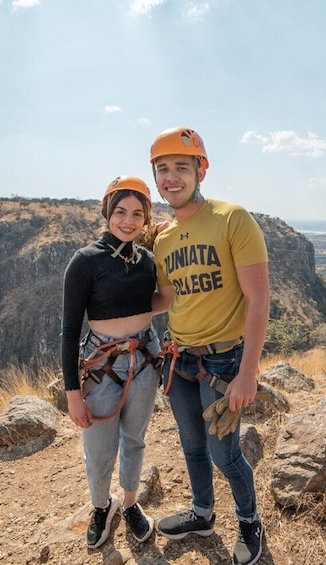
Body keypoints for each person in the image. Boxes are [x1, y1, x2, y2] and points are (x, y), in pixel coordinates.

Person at [150, 127, 270, 565]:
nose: (171, 177)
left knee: (225, 452)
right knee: (192, 444)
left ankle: (249, 521)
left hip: (225, 360)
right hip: (180, 359)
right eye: (162, 169)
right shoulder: (162, 238)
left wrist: (248, 373)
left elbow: (258, 299)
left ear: (201, 170)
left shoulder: (232, 218)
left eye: (181, 167)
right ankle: (202, 514)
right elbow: (166, 297)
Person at [61, 175, 161, 549]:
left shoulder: (146, 260)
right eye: (120, 211)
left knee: (134, 439)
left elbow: (150, 303)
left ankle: (131, 504)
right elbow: (70, 331)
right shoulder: (85, 261)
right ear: (107, 212)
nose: (128, 221)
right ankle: (102, 506)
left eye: (137, 214)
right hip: (103, 366)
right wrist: (73, 395)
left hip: (145, 361)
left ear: (146, 218)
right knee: (99, 447)